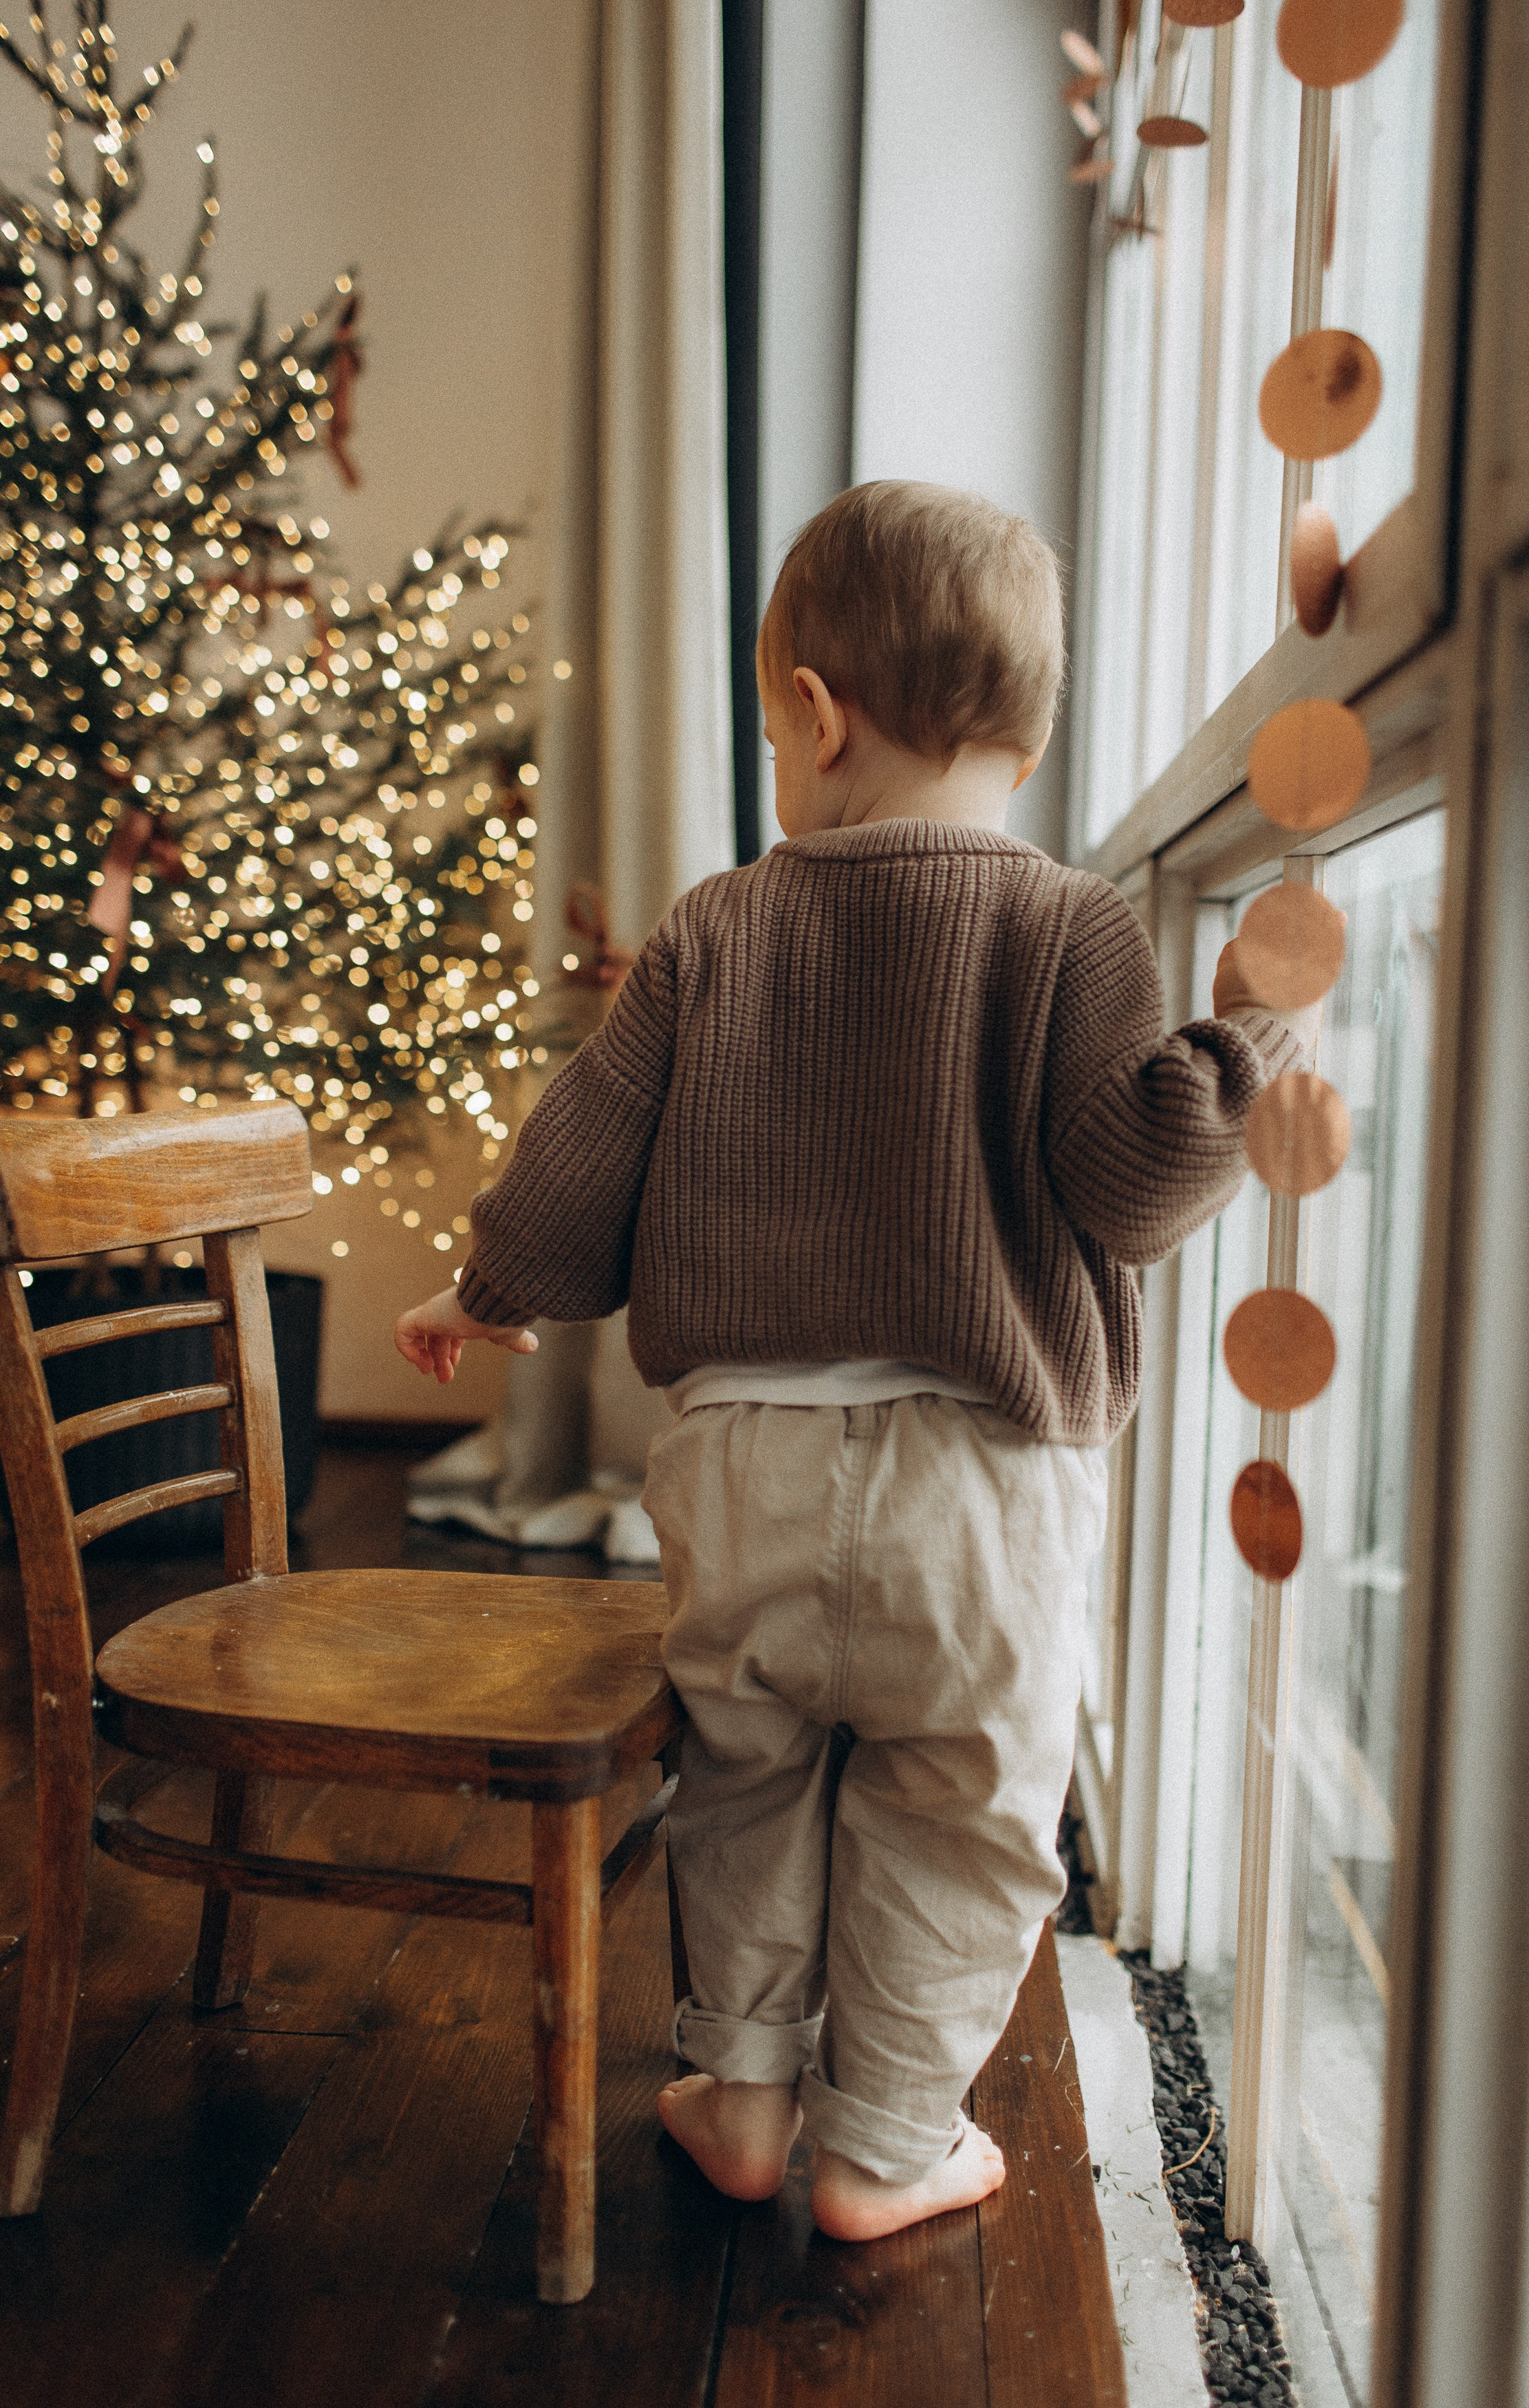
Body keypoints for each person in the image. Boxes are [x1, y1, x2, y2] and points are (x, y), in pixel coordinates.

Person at [394, 481, 1310, 2242]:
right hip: (980, 1483)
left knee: (743, 1772)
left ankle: (740, 2097)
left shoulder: (721, 924)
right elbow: (1131, 1186)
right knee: (961, 1799)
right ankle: (885, 2138)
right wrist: (1253, 1038)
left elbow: (588, 1149)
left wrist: (494, 1282)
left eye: (773, 729)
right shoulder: (1071, 926)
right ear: (1027, 738)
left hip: (741, 1467)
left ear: (816, 713)